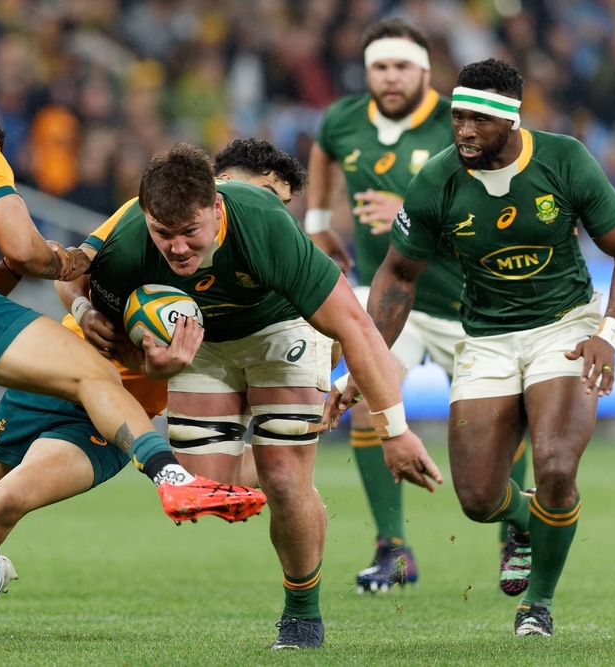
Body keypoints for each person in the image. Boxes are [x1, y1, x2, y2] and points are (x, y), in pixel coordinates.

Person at [0, 99, 264, 653]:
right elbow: (22, 250)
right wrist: (57, 263)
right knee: (92, 372)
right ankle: (169, 477)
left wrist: (19, 270)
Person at [59, 142, 443, 650]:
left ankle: (301, 613)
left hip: (281, 327)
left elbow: (357, 327)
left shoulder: (263, 221)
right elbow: (76, 281)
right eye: (164, 234)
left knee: (285, 480)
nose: (176, 248)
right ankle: (289, 471)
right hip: (203, 341)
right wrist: (95, 319)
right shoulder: (130, 239)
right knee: (202, 490)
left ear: (216, 207)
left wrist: (394, 431)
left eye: (190, 233)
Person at [328, 59, 615, 636]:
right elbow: (398, 275)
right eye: (457, 118)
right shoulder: (437, 178)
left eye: (478, 119)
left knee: (554, 464)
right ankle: (529, 520)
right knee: (477, 499)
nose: (464, 131)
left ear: (511, 120)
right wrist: (368, 362)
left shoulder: (564, 159)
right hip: (486, 336)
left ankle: (539, 606)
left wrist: (608, 332)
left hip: (565, 326)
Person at [306, 17, 530, 595]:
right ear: (367, 72)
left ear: (426, 72)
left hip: (471, 303)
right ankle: (392, 548)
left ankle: (516, 535)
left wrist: (411, 211)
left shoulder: (460, 122)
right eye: (379, 66)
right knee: (365, 399)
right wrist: (319, 224)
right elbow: (325, 154)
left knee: (503, 424)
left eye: (402, 66)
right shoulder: (343, 119)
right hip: (397, 304)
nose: (390, 77)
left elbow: (498, 201)